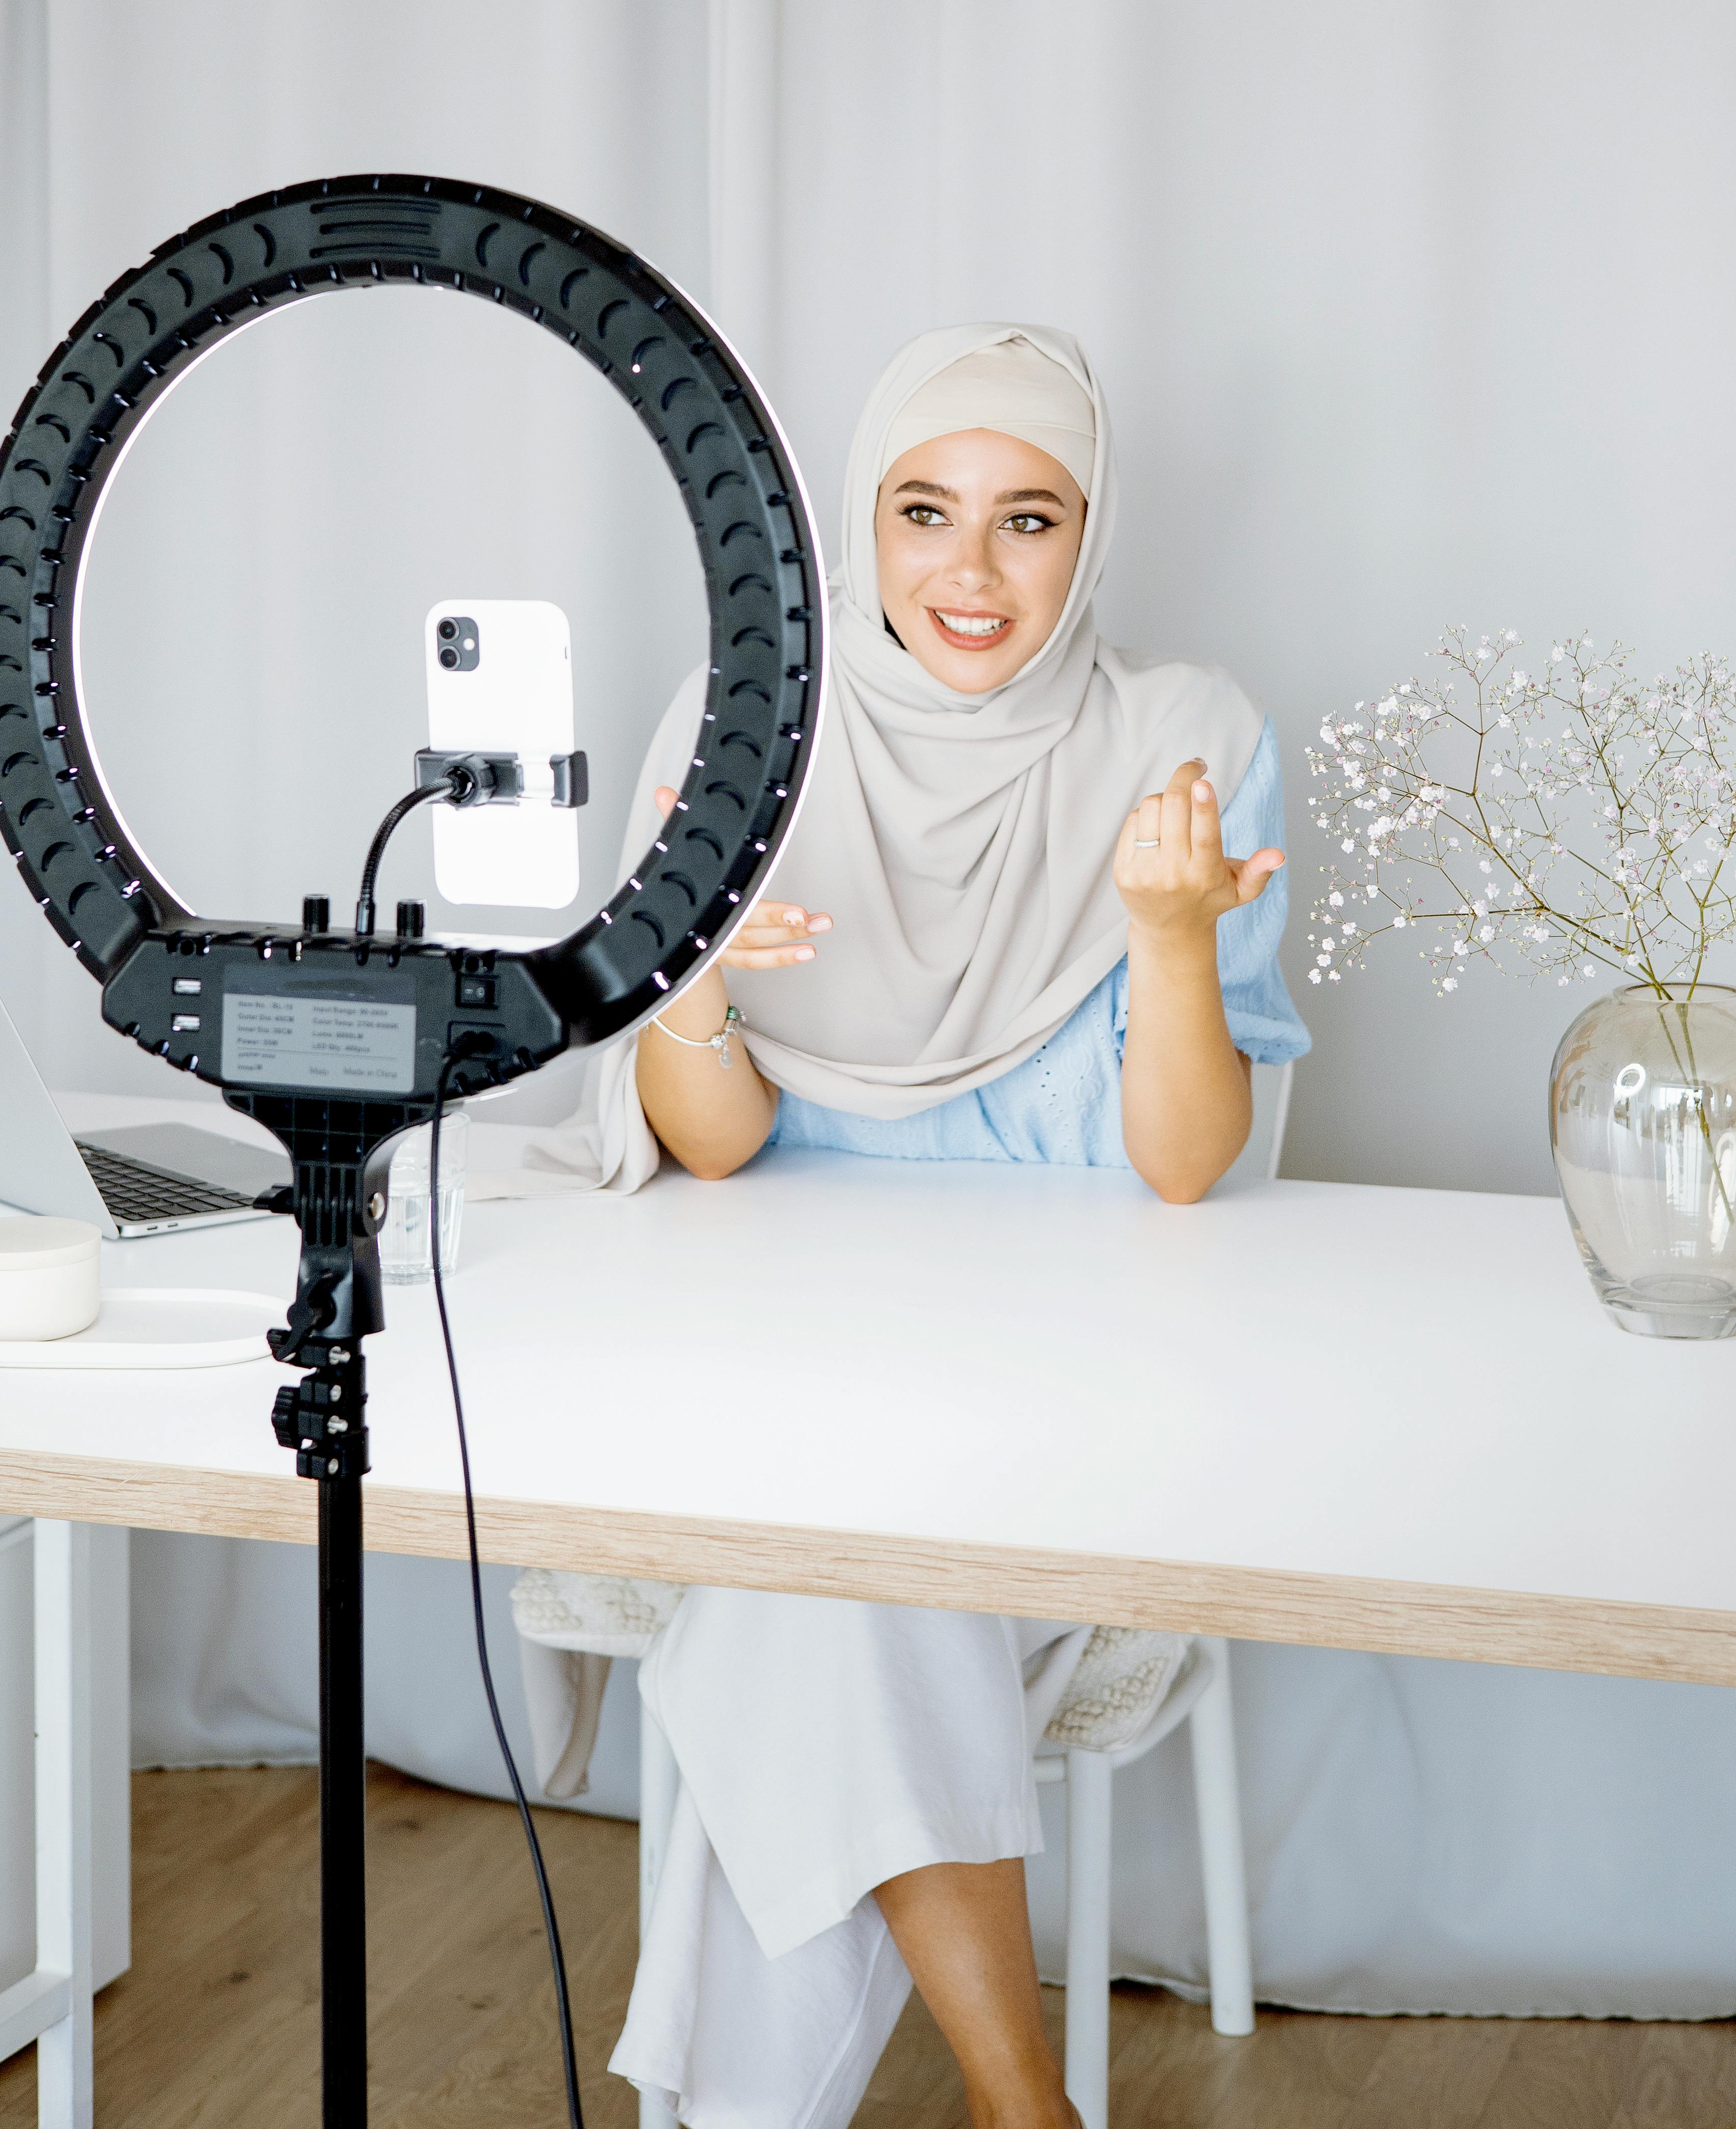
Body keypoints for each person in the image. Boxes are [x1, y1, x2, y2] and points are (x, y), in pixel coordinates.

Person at [553, 324, 1309, 2129]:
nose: (970, 573)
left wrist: (1175, 941)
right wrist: (695, 995)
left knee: (796, 1583)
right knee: (819, 1543)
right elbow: (710, 1153)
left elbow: (1187, 1170)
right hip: (788, 1380)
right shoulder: (746, 725)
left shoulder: (1178, 742)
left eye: (1027, 519)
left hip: (1081, 1408)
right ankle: (1020, 2107)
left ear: (1088, 533)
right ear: (859, 527)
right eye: (923, 513)